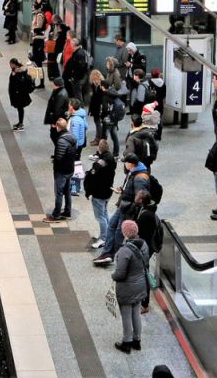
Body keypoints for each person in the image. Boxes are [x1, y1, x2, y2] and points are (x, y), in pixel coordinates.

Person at [94, 154, 150, 265]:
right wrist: (122, 190)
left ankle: (115, 255)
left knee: (119, 232)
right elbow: (131, 190)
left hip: (127, 209)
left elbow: (139, 198)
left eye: (126, 162)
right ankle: (107, 252)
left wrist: (131, 211)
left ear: (131, 164)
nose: (125, 164)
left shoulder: (140, 178)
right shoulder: (133, 172)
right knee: (111, 226)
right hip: (123, 205)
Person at [111, 218, 150, 353]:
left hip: (127, 288)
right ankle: (137, 340)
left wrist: (113, 276)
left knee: (126, 315)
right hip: (140, 285)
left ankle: (126, 342)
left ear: (125, 233)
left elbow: (120, 274)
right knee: (136, 314)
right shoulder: (144, 244)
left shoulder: (125, 251)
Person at [84, 139, 116, 250]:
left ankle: (103, 238)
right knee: (105, 212)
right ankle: (108, 234)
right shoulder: (111, 159)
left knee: (100, 216)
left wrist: (88, 191)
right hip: (108, 191)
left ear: (99, 148)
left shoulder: (98, 164)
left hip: (99, 193)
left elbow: (92, 177)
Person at [47, 118, 77, 221]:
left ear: (58, 127)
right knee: (67, 191)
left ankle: (56, 214)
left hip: (62, 171)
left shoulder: (61, 140)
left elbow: (59, 157)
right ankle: (68, 211)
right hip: (70, 168)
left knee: (59, 192)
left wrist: (55, 160)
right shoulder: (72, 137)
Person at [7, 59, 34, 131]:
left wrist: (14, 76)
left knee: (20, 108)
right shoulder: (15, 70)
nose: (10, 65)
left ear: (14, 64)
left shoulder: (19, 72)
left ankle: (21, 124)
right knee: (19, 109)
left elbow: (20, 83)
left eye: (11, 64)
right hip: (17, 94)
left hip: (20, 95)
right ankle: (20, 122)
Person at [63, 36, 90, 100]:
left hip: (77, 78)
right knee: (76, 94)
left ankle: (79, 108)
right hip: (75, 77)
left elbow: (80, 68)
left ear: (74, 45)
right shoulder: (77, 52)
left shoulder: (79, 54)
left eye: (71, 44)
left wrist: (73, 78)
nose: (71, 46)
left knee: (77, 95)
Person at [43, 77, 68, 145]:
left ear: (57, 85)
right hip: (57, 118)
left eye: (54, 84)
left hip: (57, 120)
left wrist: (55, 123)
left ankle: (59, 152)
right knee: (55, 136)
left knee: (55, 136)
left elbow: (57, 110)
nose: (53, 85)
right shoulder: (59, 91)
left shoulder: (60, 95)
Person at [28, 13, 48, 89]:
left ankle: (38, 83)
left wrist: (32, 57)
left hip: (38, 53)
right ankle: (36, 82)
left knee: (37, 67)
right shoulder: (40, 36)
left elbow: (36, 49)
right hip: (38, 52)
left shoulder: (38, 37)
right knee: (37, 67)